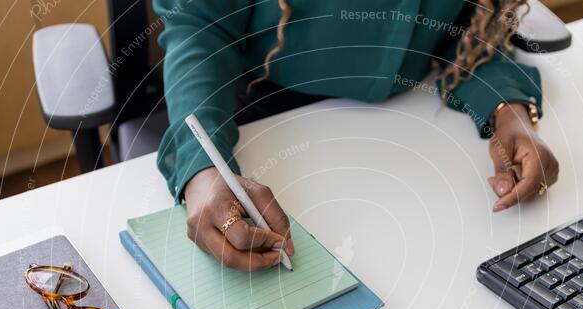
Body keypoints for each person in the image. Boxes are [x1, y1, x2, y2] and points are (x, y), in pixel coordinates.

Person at [154, 0, 560, 271]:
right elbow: (199, 27)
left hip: (408, 124)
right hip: (262, 107)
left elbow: (472, 22)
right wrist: (202, 169)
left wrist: (508, 108)